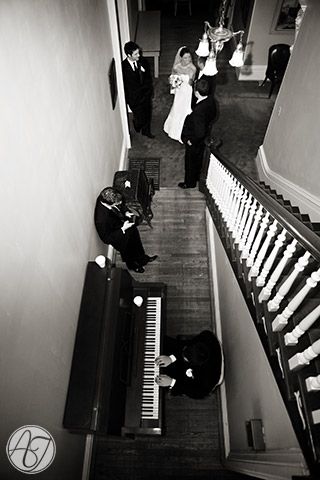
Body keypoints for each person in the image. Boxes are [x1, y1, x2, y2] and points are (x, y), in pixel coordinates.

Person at [94, 187, 158, 273]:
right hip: (119, 236)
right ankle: (133, 266)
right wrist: (123, 229)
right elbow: (106, 239)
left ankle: (143, 259)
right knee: (129, 253)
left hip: (126, 225)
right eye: (117, 203)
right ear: (109, 204)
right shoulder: (100, 220)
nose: (120, 203)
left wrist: (125, 212)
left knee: (137, 244)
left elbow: (120, 206)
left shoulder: (106, 195)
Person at [155, 330, 224, 399]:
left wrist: (171, 382)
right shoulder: (206, 336)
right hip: (206, 345)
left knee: (165, 380)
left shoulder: (207, 381)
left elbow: (195, 393)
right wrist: (171, 358)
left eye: (185, 359)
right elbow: (185, 344)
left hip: (201, 378)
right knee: (167, 343)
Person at [178, 78, 217, 189]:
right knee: (198, 160)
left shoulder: (198, 112)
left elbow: (199, 133)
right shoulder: (210, 100)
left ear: (196, 92)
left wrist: (190, 141)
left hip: (195, 141)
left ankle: (189, 183)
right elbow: (213, 115)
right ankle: (196, 177)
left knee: (190, 163)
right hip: (203, 138)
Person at [122, 41, 155, 139]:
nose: (139, 55)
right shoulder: (123, 67)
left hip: (145, 94)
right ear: (129, 55)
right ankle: (137, 123)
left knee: (147, 114)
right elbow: (124, 86)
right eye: (136, 54)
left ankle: (146, 131)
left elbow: (148, 77)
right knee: (140, 117)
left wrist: (150, 91)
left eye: (138, 52)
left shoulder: (143, 61)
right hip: (134, 98)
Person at [163, 46, 196, 143]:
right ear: (181, 58)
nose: (188, 60)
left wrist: (190, 78)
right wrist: (173, 81)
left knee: (186, 110)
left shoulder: (193, 68)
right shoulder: (176, 67)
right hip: (179, 91)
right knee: (177, 108)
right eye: (185, 58)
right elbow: (172, 78)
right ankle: (173, 129)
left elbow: (191, 83)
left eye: (189, 57)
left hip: (188, 92)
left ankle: (183, 132)